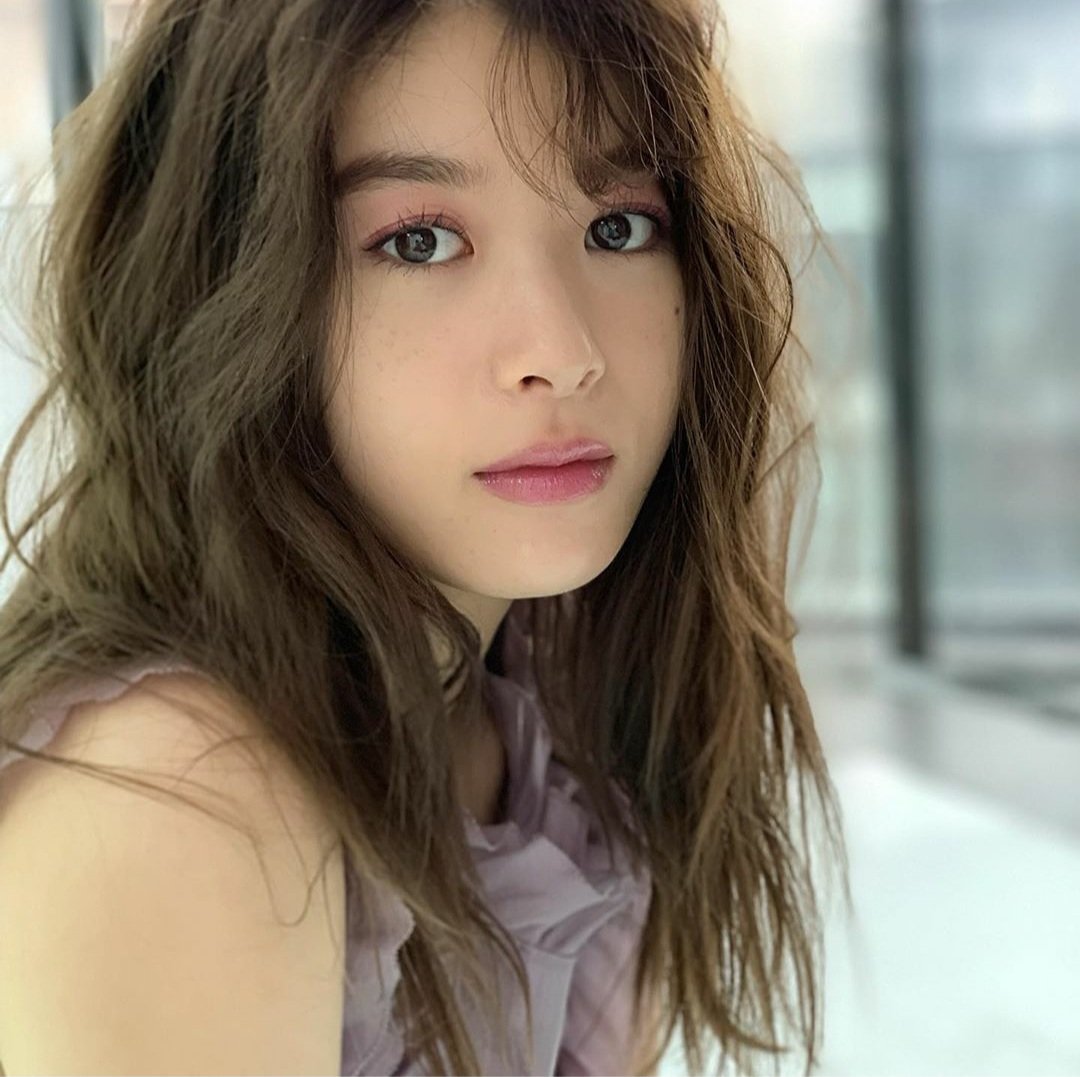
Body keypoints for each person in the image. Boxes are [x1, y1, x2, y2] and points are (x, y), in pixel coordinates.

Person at [0, 0, 850, 1074]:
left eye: (618, 228)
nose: (562, 349)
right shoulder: (177, 799)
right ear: (214, 287)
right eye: (420, 241)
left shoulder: (547, 712)